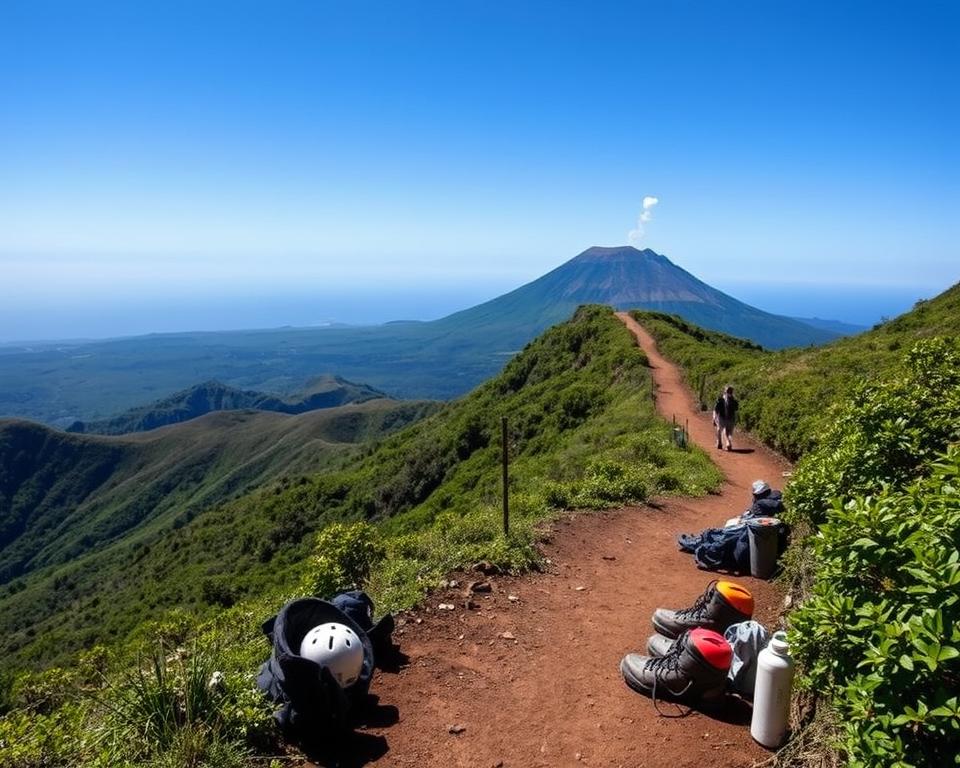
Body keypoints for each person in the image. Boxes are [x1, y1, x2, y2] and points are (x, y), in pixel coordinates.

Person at [712, 385, 739, 451]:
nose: (729, 393)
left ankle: (725, 443)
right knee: (721, 430)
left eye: (730, 391)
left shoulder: (734, 401)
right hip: (722, 417)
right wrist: (714, 417)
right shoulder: (720, 400)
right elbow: (715, 410)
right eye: (728, 391)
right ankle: (723, 442)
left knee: (729, 432)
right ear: (725, 392)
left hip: (731, 418)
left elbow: (736, 409)